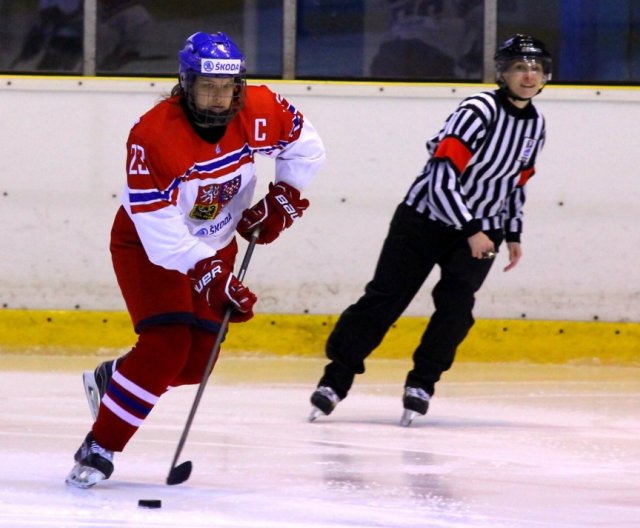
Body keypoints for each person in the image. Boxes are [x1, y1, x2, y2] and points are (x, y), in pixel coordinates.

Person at [66, 31, 325, 488]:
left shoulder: (260, 109)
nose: (219, 97)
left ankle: (116, 380)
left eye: (228, 87)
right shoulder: (153, 136)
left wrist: (284, 193)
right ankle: (100, 444)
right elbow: (161, 232)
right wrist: (207, 271)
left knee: (193, 364)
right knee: (166, 349)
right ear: (186, 84)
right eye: (207, 86)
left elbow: (306, 147)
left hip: (218, 242)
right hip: (148, 247)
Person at [310, 34, 551, 426]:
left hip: (483, 232)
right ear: (503, 72)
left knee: (457, 310)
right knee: (385, 299)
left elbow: (516, 183)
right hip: (424, 219)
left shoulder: (536, 125)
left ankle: (422, 383)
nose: (529, 74)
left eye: (536, 68)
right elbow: (441, 176)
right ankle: (336, 379)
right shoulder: (478, 110)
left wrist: (514, 234)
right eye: (521, 67)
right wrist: (471, 227)